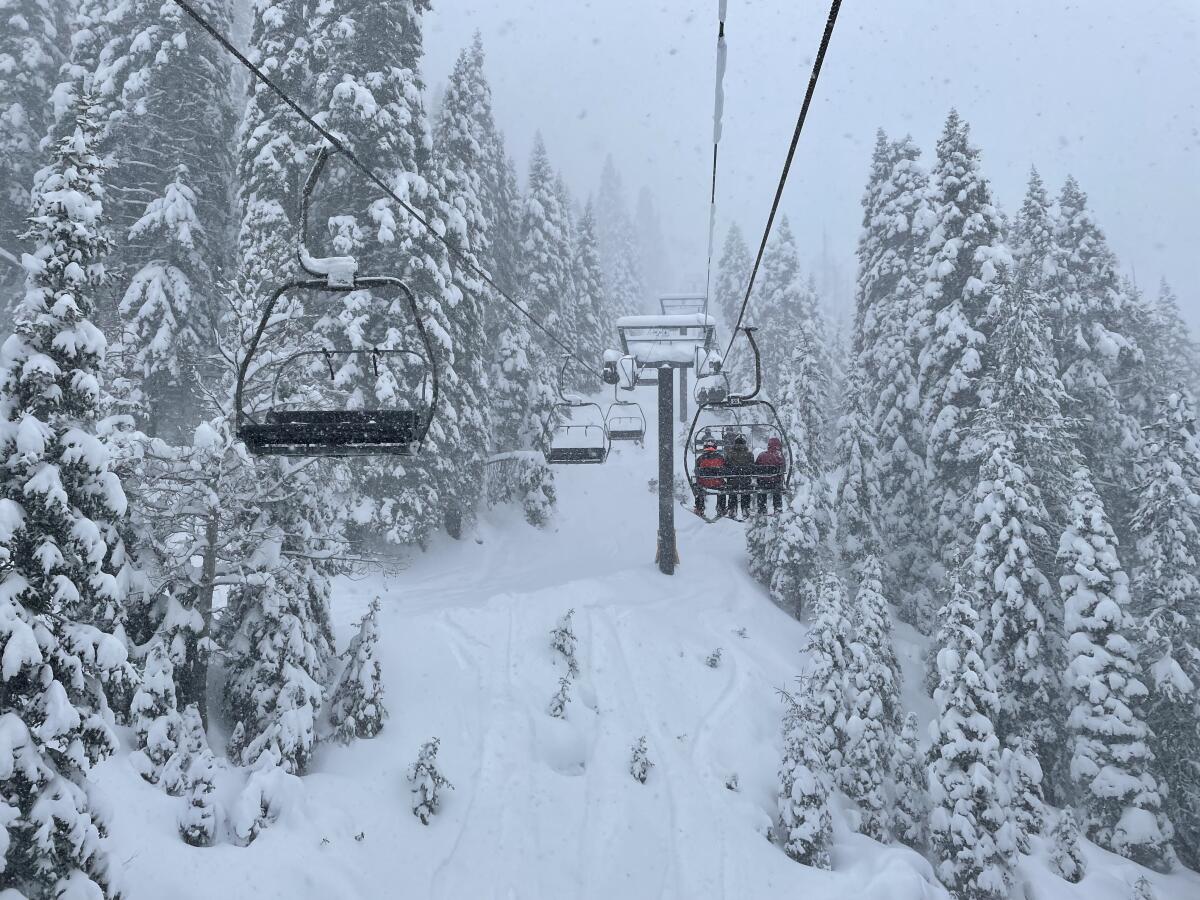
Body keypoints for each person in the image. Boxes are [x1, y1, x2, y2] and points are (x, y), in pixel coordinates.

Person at [695, 439, 727, 517]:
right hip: (717, 483)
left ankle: (700, 508)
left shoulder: (700, 458)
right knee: (722, 490)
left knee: (698, 489)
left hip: (704, 484)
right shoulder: (720, 458)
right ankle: (721, 508)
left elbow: (697, 471)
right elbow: (725, 469)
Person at [725, 434, 755, 518]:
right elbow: (752, 467)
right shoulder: (749, 454)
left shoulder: (729, 454)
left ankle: (732, 508)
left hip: (732, 480)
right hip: (745, 480)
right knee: (745, 490)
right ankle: (745, 508)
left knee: (732, 491)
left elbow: (726, 466)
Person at [755, 436, 785, 513]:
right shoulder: (780, 456)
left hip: (763, 483)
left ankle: (762, 508)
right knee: (777, 490)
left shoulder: (761, 455)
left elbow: (756, 468)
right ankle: (777, 507)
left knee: (761, 490)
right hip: (775, 483)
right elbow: (782, 469)